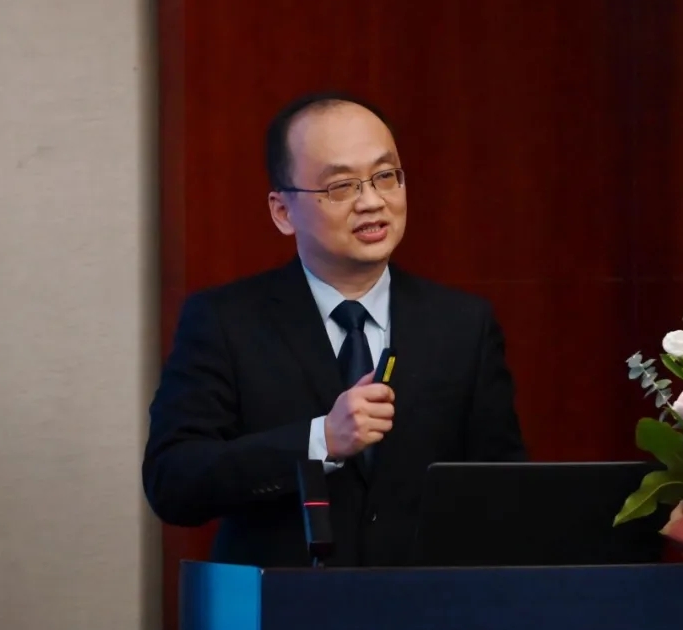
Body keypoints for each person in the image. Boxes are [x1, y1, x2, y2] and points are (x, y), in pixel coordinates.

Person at [143, 91, 526, 568]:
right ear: (283, 212)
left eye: (385, 176)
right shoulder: (225, 322)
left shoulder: (463, 326)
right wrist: (320, 439)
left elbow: (505, 491)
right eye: (341, 186)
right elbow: (173, 481)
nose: (372, 202)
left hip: (427, 608)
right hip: (286, 606)